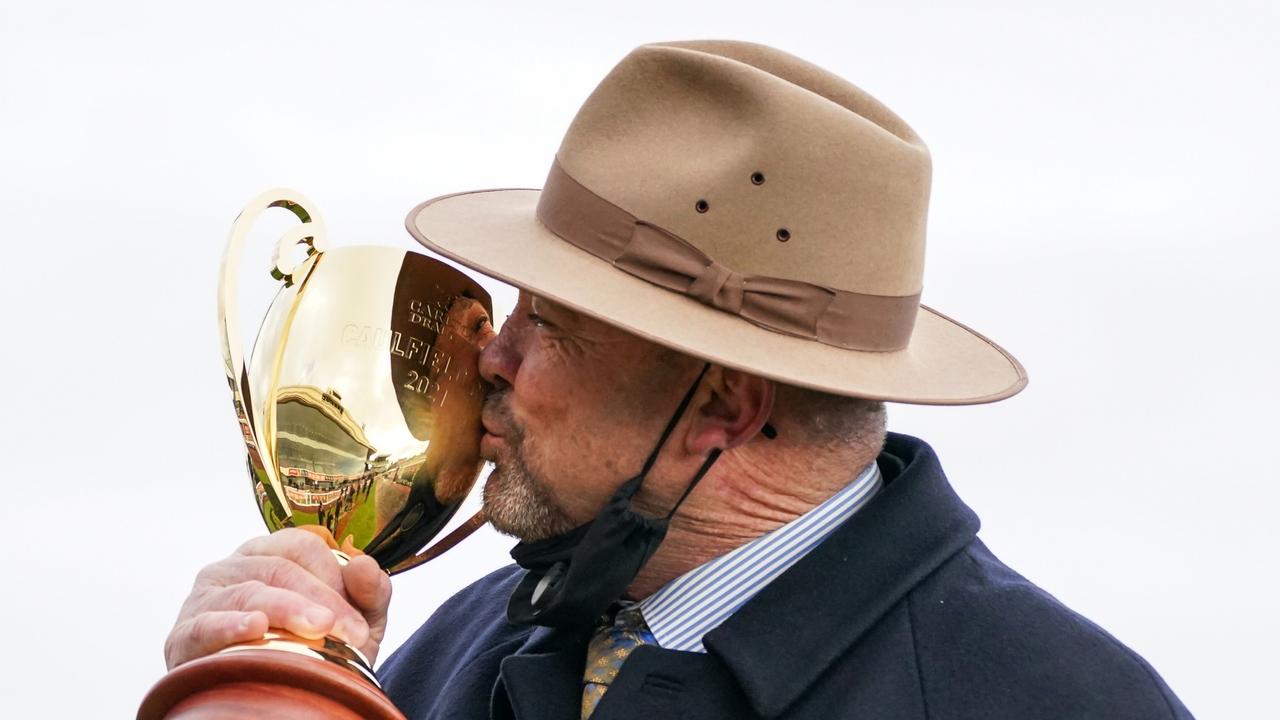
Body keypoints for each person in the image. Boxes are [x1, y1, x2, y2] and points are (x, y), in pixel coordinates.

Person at [164, 41, 1193, 719]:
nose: (489, 355)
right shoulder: (456, 653)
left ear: (721, 407)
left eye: (548, 326)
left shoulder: (1059, 702)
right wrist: (278, 685)